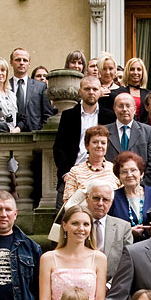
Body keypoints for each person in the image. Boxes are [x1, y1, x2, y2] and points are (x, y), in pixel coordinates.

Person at [53, 75, 116, 206]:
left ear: (100, 91)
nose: (91, 92)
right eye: (87, 89)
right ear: (80, 91)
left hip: (101, 174)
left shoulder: (109, 116)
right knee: (63, 215)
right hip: (73, 173)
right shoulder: (68, 116)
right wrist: (66, 174)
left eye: (94, 89)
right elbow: (59, 147)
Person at [108, 151, 151, 241]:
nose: (129, 175)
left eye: (133, 170)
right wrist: (128, 232)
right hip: (123, 250)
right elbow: (107, 228)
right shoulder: (112, 198)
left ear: (141, 173)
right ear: (119, 176)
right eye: (124, 172)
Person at [84, 180, 133, 283]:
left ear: (111, 202)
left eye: (105, 200)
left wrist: (109, 286)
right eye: (96, 198)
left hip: (113, 289)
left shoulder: (123, 227)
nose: (100, 203)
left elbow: (127, 263)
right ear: (86, 198)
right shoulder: (75, 224)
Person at [107, 93, 151, 187]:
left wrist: (140, 187)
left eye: (128, 106)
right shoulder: (105, 132)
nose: (124, 109)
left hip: (140, 188)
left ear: (135, 109)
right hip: (110, 188)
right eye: (120, 106)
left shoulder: (148, 132)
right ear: (114, 109)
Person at [62, 126, 119, 202]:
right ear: (86, 145)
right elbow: (68, 202)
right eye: (95, 142)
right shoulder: (75, 171)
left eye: (103, 143)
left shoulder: (114, 169)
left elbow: (121, 199)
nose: (99, 146)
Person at [10, 48, 56, 131]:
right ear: (11, 62)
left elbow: (47, 114)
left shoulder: (40, 87)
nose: (21, 63)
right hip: (9, 134)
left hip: (34, 136)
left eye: (25, 60)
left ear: (29, 64)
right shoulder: (5, 86)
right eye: (18, 60)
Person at [112, 57, 150, 122]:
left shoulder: (148, 94)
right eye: (132, 69)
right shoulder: (117, 92)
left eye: (139, 69)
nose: (135, 72)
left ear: (143, 72)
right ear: (127, 72)